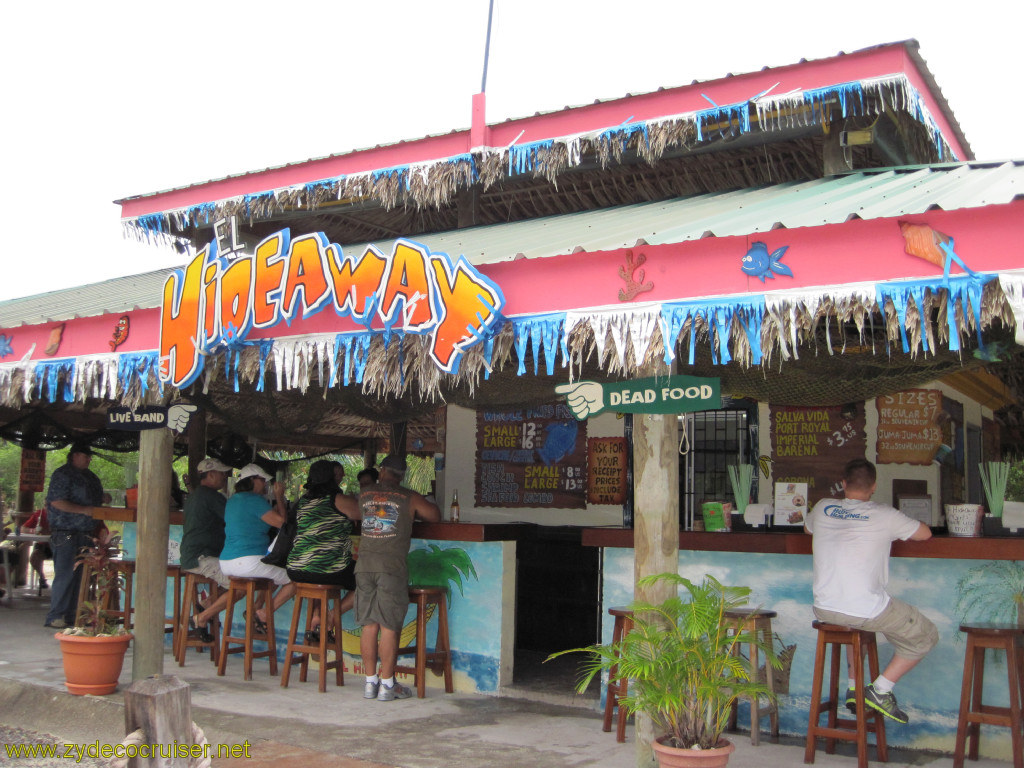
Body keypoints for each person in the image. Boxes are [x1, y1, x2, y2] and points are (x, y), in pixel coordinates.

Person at [805, 458, 937, 724]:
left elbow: (808, 528)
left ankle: (855, 689)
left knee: (858, 622)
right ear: (874, 487)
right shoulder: (885, 515)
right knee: (927, 635)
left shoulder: (822, 507)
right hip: (863, 610)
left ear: (843, 484)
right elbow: (925, 534)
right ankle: (880, 689)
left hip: (825, 608)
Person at [355, 454, 440, 701]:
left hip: (364, 565)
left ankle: (370, 683)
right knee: (389, 626)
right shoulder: (409, 497)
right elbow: (434, 515)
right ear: (401, 475)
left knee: (369, 625)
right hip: (391, 568)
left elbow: (352, 510)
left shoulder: (365, 493)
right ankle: (388, 685)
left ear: (381, 471)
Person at [285, 460, 362, 641]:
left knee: (324, 569)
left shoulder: (302, 502)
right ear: (332, 478)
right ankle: (330, 617)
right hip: (329, 571)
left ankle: (320, 617)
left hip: (296, 570)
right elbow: (368, 514)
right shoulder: (339, 500)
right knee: (368, 582)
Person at [219, 463, 295, 629]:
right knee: (295, 578)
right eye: (262, 480)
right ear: (253, 480)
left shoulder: (233, 500)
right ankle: (264, 614)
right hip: (248, 562)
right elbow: (283, 525)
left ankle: (255, 609)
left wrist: (274, 507)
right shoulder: (254, 500)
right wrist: (280, 498)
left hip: (226, 561)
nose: (265, 484)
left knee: (274, 572)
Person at [44, 440, 105, 629]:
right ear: (74, 456)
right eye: (85, 455)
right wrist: (83, 510)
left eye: (90, 456)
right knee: (65, 575)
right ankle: (56, 615)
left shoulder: (92, 478)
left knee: (82, 577)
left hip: (86, 533)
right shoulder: (62, 474)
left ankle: (74, 615)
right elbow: (56, 502)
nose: (88, 459)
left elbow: (96, 501)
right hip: (65, 532)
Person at [179, 457, 233, 637]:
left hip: (192, 555)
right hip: (202, 557)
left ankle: (206, 604)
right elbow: (233, 519)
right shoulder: (212, 496)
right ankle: (201, 618)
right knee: (240, 585)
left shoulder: (194, 496)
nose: (225, 477)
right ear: (211, 474)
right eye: (222, 474)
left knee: (238, 577)